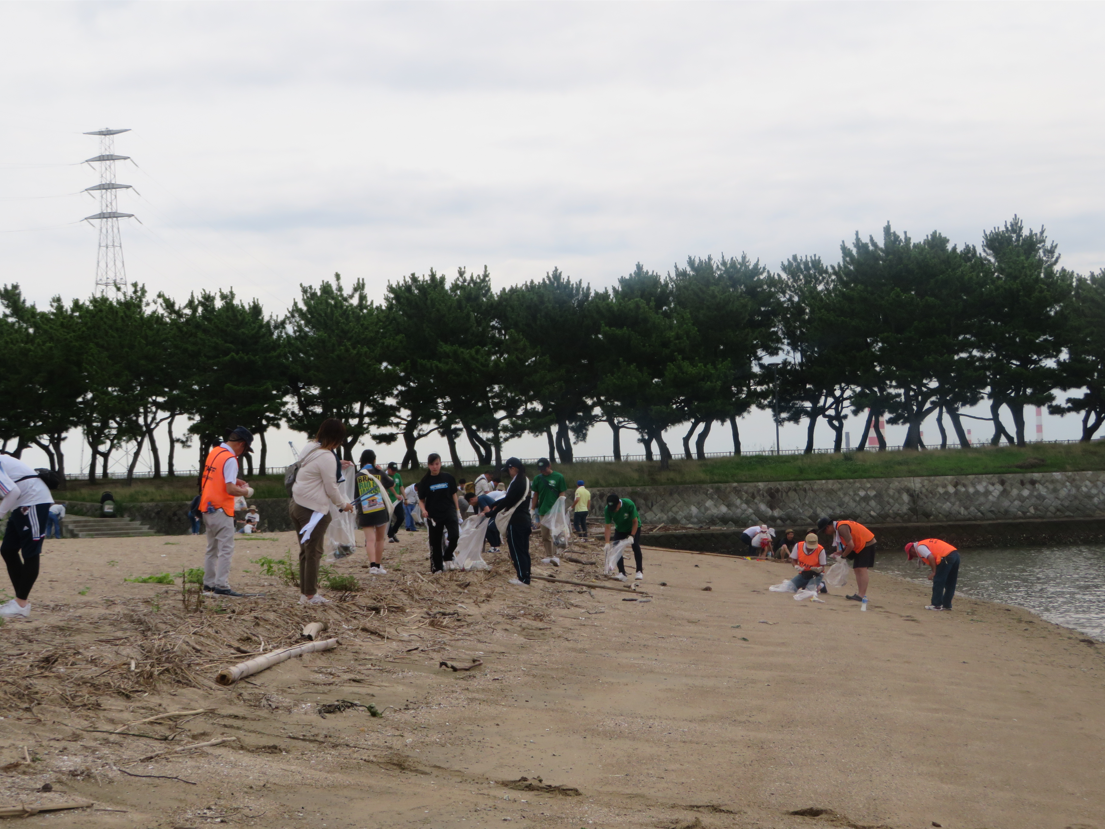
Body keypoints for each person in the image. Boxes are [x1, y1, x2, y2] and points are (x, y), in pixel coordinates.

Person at [289, 419, 355, 604]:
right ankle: (310, 595)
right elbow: (331, 488)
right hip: (312, 510)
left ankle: (305, 593)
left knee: (306, 551)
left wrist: (336, 463)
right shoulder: (326, 456)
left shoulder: (310, 449)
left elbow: (317, 471)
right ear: (337, 439)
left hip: (296, 504)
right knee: (314, 552)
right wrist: (345, 505)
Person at [198, 426, 255, 597]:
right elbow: (230, 489)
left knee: (212, 549)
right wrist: (247, 491)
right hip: (222, 508)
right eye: (245, 450)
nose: (243, 453)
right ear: (242, 444)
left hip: (206, 506)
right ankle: (221, 586)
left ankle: (208, 585)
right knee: (226, 548)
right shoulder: (231, 459)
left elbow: (214, 475)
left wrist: (235, 479)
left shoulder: (215, 452)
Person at [0, 453, 54, 618]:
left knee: (30, 552)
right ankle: (19, 602)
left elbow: (13, 491)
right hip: (21, 503)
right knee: (8, 550)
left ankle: (21, 603)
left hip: (33, 501)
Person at [486, 457, 531, 585]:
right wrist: (496, 503)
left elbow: (508, 500)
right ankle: (526, 575)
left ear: (513, 468)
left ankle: (522, 578)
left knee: (516, 550)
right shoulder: (526, 480)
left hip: (516, 520)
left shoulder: (517, 482)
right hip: (525, 519)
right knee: (524, 550)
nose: (508, 473)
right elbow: (511, 498)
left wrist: (492, 512)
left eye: (509, 470)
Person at [417, 453, 461, 573]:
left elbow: (454, 494)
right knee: (435, 542)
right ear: (429, 465)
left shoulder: (448, 477)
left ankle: (448, 554)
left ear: (440, 463)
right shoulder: (425, 481)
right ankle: (437, 567)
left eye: (437, 464)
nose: (435, 467)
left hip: (449, 510)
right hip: (434, 515)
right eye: (432, 464)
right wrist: (424, 510)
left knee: (455, 536)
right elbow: (421, 500)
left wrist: (457, 510)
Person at [818, 516, 877, 602]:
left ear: (828, 527)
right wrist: (840, 552)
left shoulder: (841, 527)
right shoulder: (838, 528)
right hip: (860, 545)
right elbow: (849, 544)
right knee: (857, 569)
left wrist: (842, 557)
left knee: (862, 569)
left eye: (824, 531)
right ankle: (860, 594)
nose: (826, 533)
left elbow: (851, 545)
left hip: (867, 544)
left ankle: (861, 595)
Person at [355, 450, 393, 574]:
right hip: (380, 509)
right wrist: (381, 470)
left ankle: (372, 566)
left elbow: (356, 495)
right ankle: (378, 564)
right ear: (374, 460)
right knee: (380, 539)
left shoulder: (358, 475)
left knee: (370, 539)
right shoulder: (378, 473)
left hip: (365, 511)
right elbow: (390, 482)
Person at [905, 538, 961, 611]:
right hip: (955, 554)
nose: (914, 557)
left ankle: (936, 605)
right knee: (951, 583)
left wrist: (934, 572)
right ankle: (947, 605)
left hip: (946, 557)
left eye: (912, 555)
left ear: (912, 549)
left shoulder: (920, 547)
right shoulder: (925, 543)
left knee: (938, 581)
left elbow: (931, 557)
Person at [531, 457, 568, 566]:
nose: (542, 471)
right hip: (543, 510)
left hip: (556, 511)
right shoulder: (538, 479)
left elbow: (562, 492)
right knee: (545, 534)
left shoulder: (559, 477)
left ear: (549, 466)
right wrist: (533, 509)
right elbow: (536, 495)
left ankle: (556, 555)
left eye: (544, 469)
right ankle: (549, 555)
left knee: (556, 533)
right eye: (540, 469)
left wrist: (561, 502)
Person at [604, 493, 643, 582]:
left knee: (635, 546)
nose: (613, 511)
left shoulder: (628, 504)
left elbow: (635, 522)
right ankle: (622, 573)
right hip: (620, 528)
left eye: (615, 508)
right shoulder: (607, 510)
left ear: (619, 504)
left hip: (633, 527)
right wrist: (607, 542)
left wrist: (632, 536)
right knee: (616, 548)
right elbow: (607, 527)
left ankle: (639, 571)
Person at [385, 462, 404, 544]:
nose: (394, 472)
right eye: (392, 470)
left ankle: (393, 532)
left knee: (401, 517)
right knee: (388, 518)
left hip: (397, 500)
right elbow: (389, 485)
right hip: (387, 500)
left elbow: (401, 486)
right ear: (388, 469)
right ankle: (390, 535)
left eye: (395, 470)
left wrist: (405, 497)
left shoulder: (398, 476)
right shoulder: (384, 475)